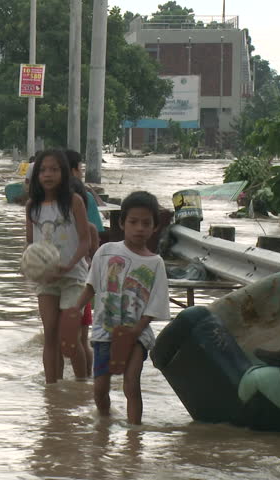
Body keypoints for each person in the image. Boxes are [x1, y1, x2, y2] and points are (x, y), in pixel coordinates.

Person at [71, 191, 170, 425]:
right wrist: (75, 310)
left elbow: (155, 304)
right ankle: (103, 424)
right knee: (99, 388)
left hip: (138, 334)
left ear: (155, 227)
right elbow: (91, 287)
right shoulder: (106, 252)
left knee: (131, 384)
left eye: (146, 223)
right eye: (133, 222)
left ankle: (134, 435)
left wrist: (136, 330)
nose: (139, 228)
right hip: (104, 332)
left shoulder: (156, 263)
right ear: (121, 223)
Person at [25, 149, 90, 383]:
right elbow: (30, 244)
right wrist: (33, 268)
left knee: (69, 340)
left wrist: (70, 263)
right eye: (42, 170)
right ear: (36, 175)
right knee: (50, 334)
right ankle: (52, 392)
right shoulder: (32, 205)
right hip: (46, 280)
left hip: (74, 277)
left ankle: (82, 387)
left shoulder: (74, 202)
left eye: (54, 169)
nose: (48, 175)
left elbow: (86, 240)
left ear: (64, 172)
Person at [70, 177, 100, 377]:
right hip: (70, 285)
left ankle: (85, 379)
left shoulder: (89, 229)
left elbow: (97, 260)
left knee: (81, 340)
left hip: (82, 287)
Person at [65, 150, 105, 233]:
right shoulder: (85, 197)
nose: (82, 174)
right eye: (80, 169)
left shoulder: (45, 197)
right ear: (73, 171)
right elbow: (97, 231)